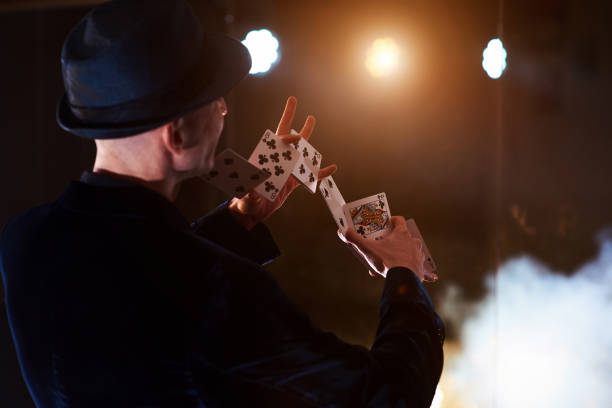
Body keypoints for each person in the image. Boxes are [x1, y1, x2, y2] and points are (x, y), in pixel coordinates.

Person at [0, 0, 444, 407]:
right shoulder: (216, 288)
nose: (225, 110)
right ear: (176, 135)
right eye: (214, 100)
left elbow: (137, 277)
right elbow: (389, 397)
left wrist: (239, 219)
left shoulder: (23, 240)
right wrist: (405, 278)